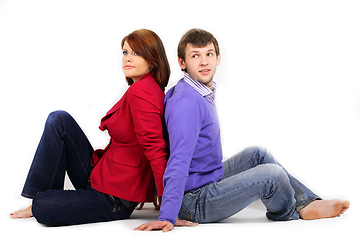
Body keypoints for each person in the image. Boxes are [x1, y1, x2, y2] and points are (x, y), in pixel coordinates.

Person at [135, 29, 350, 232]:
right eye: (195, 56)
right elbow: (179, 160)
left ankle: (306, 202)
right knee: (272, 176)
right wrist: (168, 215)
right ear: (182, 62)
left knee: (257, 154)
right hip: (193, 201)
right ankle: (292, 211)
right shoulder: (187, 103)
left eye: (209, 54)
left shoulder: (196, 89)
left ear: (218, 58)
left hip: (206, 179)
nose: (203, 62)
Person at [10, 29, 170, 226]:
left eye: (136, 53)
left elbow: (155, 147)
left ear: (153, 60)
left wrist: (167, 204)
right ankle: (38, 199)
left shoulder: (141, 91)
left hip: (114, 197)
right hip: (103, 174)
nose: (128, 59)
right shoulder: (144, 87)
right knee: (59, 121)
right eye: (125, 52)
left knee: (43, 207)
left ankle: (39, 202)